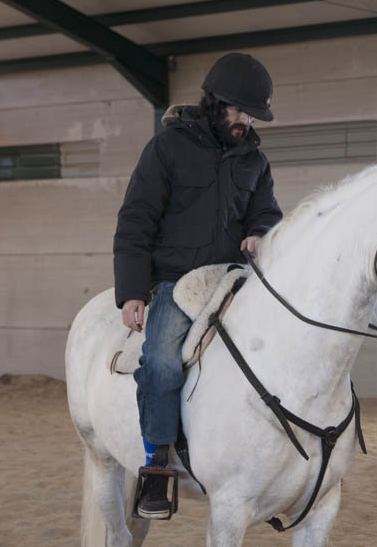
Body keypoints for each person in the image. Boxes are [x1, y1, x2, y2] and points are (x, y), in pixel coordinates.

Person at [113, 52, 283, 519]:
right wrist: (132, 290)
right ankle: (156, 464)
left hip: (234, 280)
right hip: (179, 283)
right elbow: (136, 220)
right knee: (161, 365)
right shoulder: (167, 148)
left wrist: (261, 233)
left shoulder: (255, 161)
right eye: (240, 111)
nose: (246, 121)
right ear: (216, 103)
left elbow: (266, 213)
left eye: (252, 115)